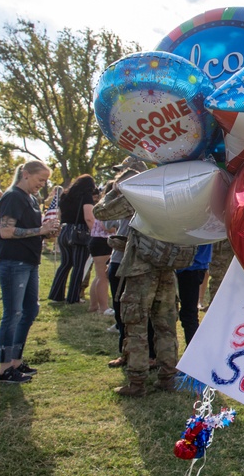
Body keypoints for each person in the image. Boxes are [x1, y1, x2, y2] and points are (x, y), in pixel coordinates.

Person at [93, 159, 189, 397]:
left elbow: (101, 212)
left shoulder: (138, 192)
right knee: (166, 327)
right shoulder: (172, 193)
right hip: (166, 269)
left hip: (140, 270)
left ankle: (137, 383)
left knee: (136, 326)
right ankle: (168, 377)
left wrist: (117, 189)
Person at [0, 161, 60, 383]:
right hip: (13, 262)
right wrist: (39, 230)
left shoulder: (31, 199)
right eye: (39, 179)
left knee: (30, 310)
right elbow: (6, 231)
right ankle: (5, 369)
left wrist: (47, 233)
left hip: (29, 261)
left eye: (45, 181)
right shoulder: (13, 196)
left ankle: (16, 361)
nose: (42, 185)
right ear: (25, 174)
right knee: (13, 313)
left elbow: (33, 231)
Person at [47, 175, 98, 304]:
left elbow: (59, 215)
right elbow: (88, 217)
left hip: (64, 231)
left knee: (65, 264)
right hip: (80, 232)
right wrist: (95, 233)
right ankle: (73, 297)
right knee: (78, 266)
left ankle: (56, 295)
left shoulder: (65, 196)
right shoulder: (86, 196)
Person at [176, 244, 211, 345]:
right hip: (190, 264)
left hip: (192, 265)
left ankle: (193, 348)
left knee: (189, 314)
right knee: (186, 313)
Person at [88, 194, 113, 315]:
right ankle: (104, 307)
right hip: (103, 241)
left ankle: (93, 305)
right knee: (103, 276)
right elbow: (106, 227)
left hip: (97, 241)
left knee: (99, 276)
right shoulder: (108, 206)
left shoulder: (102, 205)